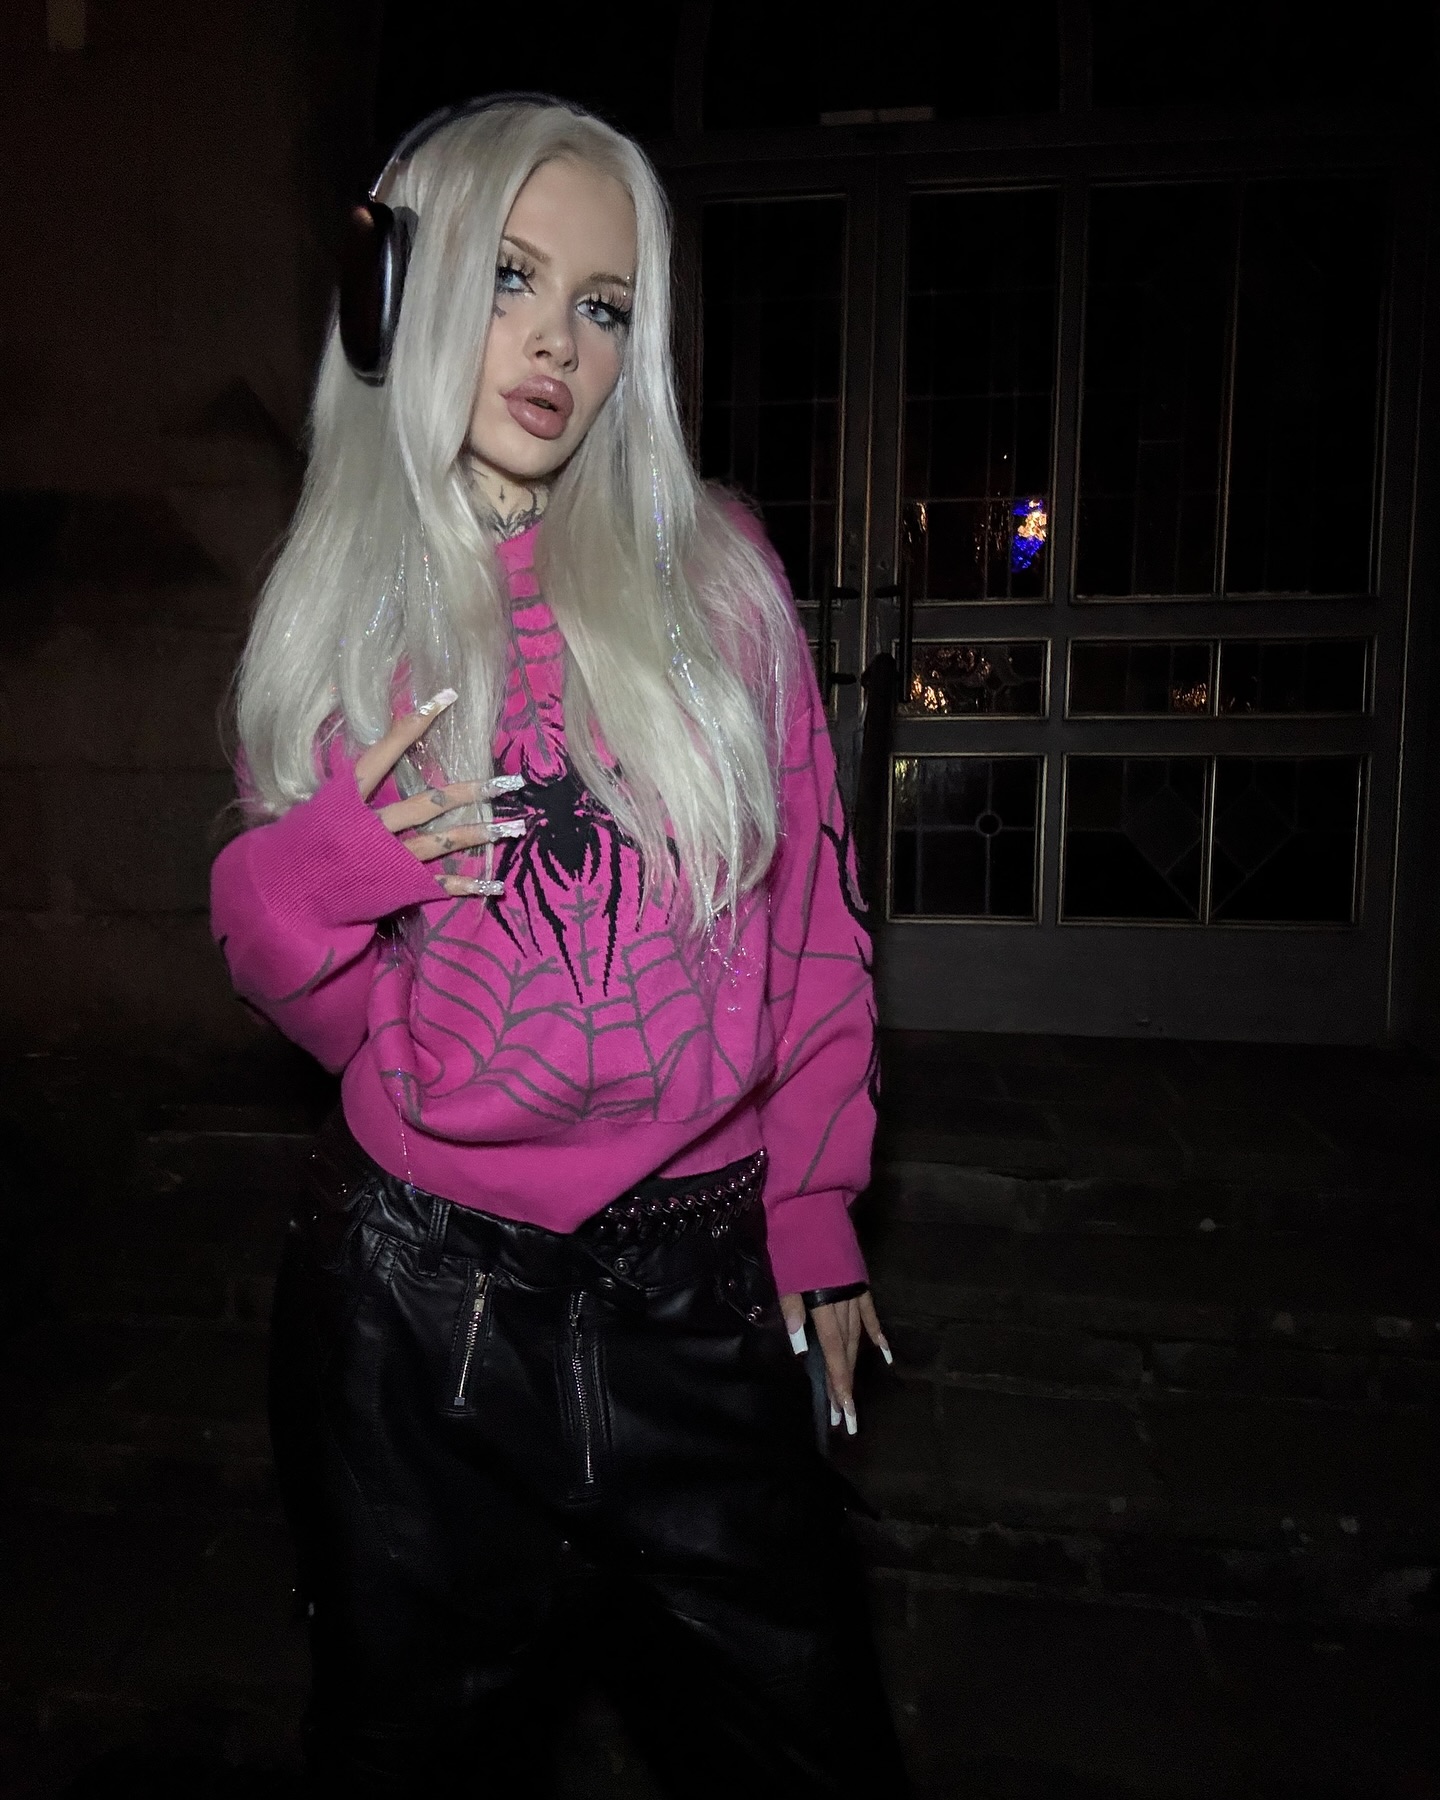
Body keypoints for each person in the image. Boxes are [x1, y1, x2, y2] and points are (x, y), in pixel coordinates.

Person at [211, 94, 910, 1798]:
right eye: (510, 278)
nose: (557, 344)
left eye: (604, 305)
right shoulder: (338, 619)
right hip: (415, 1314)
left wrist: (815, 1209)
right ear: (399, 294)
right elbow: (300, 978)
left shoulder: (719, 584)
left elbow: (811, 926)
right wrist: (345, 864)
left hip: (702, 1291)